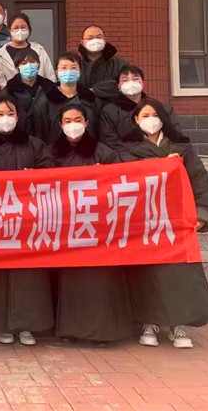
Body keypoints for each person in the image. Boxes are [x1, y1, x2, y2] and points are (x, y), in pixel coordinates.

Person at [123, 99, 208, 349]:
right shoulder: (128, 151)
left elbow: (199, 180)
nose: (150, 120)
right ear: (136, 121)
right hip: (144, 221)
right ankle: (149, 322)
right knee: (147, 273)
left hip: (176, 220)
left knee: (179, 273)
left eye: (155, 115)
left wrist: (201, 214)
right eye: (145, 115)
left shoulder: (182, 149)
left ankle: (179, 324)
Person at [0, 96, 53, 345]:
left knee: (28, 273)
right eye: (0, 114)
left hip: (28, 219)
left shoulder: (35, 144)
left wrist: (36, 176)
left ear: (18, 117)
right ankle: (0, 325)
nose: (5, 118)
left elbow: (50, 173)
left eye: (10, 113)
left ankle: (27, 325)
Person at [51, 104, 135, 344]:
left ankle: (102, 332)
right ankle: (71, 330)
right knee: (71, 280)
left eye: (78, 119)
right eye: (68, 120)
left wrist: (104, 177)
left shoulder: (103, 151)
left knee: (100, 280)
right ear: (60, 125)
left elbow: (121, 180)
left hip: (98, 226)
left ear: (87, 123)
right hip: (67, 225)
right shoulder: (52, 152)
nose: (73, 125)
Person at [98, 65, 183, 153]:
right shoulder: (109, 111)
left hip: (162, 156)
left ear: (142, 84)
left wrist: (160, 152)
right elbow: (109, 141)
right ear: (119, 87)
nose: (131, 83)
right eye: (125, 80)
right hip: (128, 158)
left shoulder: (161, 108)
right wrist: (142, 152)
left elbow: (176, 135)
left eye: (135, 79)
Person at [30, 52, 97, 144]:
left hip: (86, 149)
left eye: (73, 68)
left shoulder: (89, 98)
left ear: (80, 72)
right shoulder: (46, 99)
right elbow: (39, 131)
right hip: (54, 149)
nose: (68, 72)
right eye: (64, 68)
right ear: (57, 72)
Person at [0, 13, 56, 87]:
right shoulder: (0, 56)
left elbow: (50, 76)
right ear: (9, 30)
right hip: (11, 93)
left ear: (29, 29)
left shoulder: (39, 50)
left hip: (41, 93)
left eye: (23, 27)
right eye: (16, 28)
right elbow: (1, 83)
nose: (20, 31)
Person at [0, 49, 52, 133]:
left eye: (32, 62)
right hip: (19, 136)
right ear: (18, 68)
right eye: (24, 63)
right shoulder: (9, 90)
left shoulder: (49, 87)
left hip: (45, 135)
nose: (29, 66)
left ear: (38, 65)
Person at [77, 24, 129, 91]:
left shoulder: (120, 64)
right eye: (90, 38)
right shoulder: (75, 64)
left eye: (99, 37)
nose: (95, 41)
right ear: (82, 42)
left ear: (105, 40)